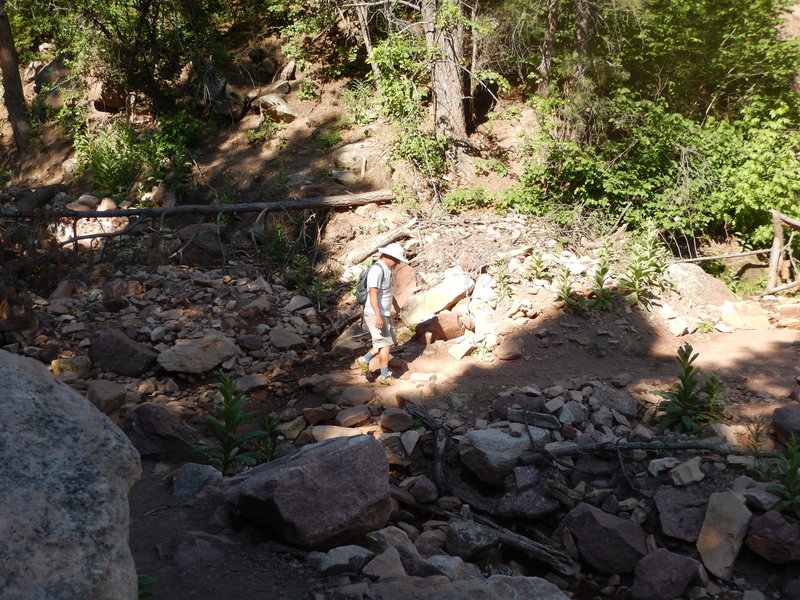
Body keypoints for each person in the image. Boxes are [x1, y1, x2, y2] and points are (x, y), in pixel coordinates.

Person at [354, 242, 409, 385]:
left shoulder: (388, 270)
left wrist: (396, 306)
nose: (397, 263)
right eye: (397, 260)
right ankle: (384, 377)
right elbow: (373, 294)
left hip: (383, 312)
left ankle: (364, 360)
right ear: (389, 257)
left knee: (388, 342)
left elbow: (388, 292)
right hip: (375, 313)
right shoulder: (376, 271)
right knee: (385, 344)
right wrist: (378, 315)